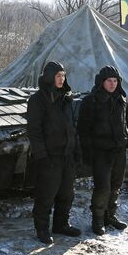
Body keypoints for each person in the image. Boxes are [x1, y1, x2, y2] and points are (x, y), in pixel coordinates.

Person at [77, 66, 128, 236]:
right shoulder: (91, 101)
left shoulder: (123, 100)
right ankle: (97, 219)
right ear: (101, 82)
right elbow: (84, 129)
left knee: (116, 185)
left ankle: (110, 215)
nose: (112, 84)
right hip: (100, 151)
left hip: (119, 150)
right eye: (109, 81)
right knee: (103, 186)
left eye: (115, 80)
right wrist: (87, 152)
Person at [27, 61, 81, 245]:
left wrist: (75, 151)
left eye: (63, 75)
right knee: (46, 195)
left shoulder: (65, 98)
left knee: (66, 193)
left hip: (66, 155)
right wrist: (42, 156)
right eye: (58, 75)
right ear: (50, 77)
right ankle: (42, 228)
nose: (61, 79)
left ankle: (61, 224)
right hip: (50, 156)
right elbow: (34, 131)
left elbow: (72, 127)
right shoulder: (38, 100)